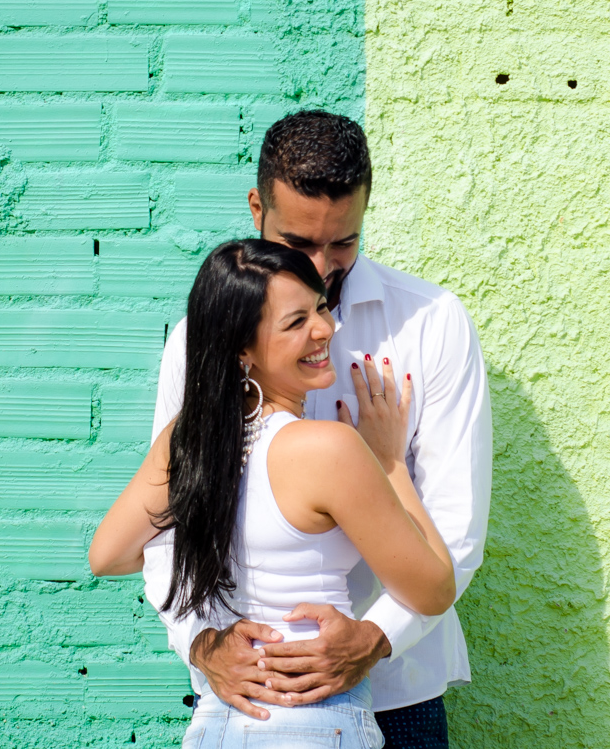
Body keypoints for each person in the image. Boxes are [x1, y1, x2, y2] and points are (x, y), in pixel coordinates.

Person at [148, 111, 492, 749]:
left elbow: (457, 524)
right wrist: (200, 643)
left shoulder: (432, 324)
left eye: (345, 243)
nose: (324, 265)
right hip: (243, 699)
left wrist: (374, 637)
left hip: (397, 692)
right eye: (300, 242)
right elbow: (169, 522)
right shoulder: (203, 339)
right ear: (257, 207)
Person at [89, 239, 457, 747]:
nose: (325, 329)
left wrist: (203, 639)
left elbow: (108, 554)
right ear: (243, 348)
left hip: (221, 719)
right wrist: (391, 463)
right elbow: (435, 588)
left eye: (321, 306)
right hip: (313, 717)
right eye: (295, 322)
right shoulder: (330, 449)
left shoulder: (189, 440)